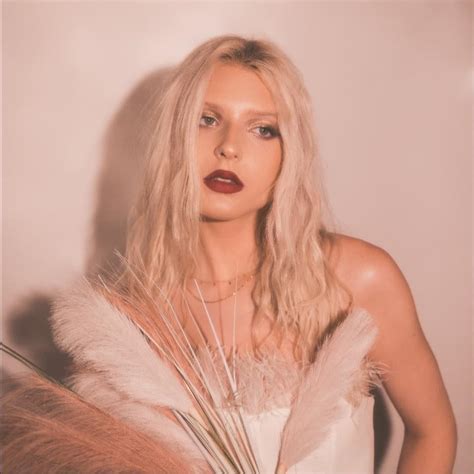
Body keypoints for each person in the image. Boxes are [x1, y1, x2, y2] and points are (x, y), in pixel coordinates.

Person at [2, 35, 456, 473]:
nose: (229, 147)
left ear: (290, 154)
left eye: (263, 129)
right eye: (207, 119)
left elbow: (433, 431)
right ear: (173, 140)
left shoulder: (356, 279)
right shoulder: (120, 323)